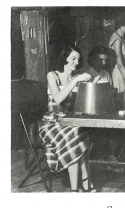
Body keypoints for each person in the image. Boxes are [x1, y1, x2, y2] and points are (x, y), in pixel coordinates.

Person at [39, 45, 96, 192]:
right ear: (64, 58)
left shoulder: (76, 77)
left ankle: (76, 187)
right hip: (51, 123)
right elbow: (58, 99)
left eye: (78, 59)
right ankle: (84, 182)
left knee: (79, 132)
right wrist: (74, 82)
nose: (76, 62)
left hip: (71, 122)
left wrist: (92, 85)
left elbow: (83, 103)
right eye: (73, 58)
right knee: (76, 134)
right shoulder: (53, 75)